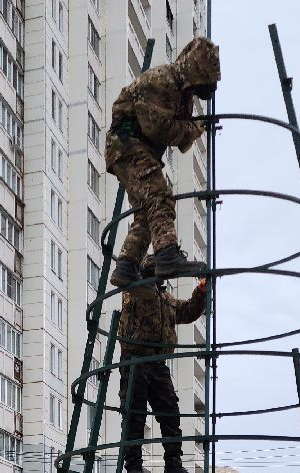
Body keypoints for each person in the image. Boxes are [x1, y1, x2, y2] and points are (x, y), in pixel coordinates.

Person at [106, 36, 220, 288]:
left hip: (137, 149)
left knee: (148, 213)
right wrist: (190, 130)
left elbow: (178, 139)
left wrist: (190, 130)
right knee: (159, 196)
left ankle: (126, 265)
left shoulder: (182, 96)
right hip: (127, 144)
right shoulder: (161, 80)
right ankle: (167, 255)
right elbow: (158, 128)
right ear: (194, 71)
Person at [118, 260, 207, 473]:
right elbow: (146, 271)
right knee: (134, 415)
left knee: (170, 414)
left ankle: (173, 466)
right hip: (135, 360)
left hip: (158, 363)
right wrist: (167, 263)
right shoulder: (136, 290)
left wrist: (201, 290)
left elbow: (187, 311)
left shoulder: (164, 299)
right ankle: (134, 466)